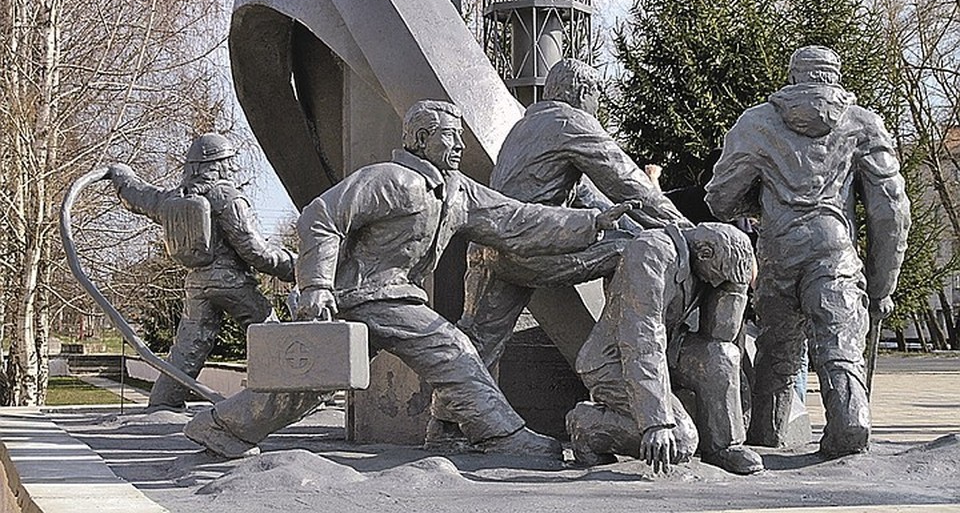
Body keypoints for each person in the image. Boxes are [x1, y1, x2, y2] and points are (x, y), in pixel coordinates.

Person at [182, 100, 633, 460]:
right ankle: (503, 437)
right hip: (357, 295)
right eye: (448, 137)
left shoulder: (458, 192)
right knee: (450, 348)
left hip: (395, 299)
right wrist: (317, 285)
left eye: (459, 136)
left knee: (313, 386)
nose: (458, 146)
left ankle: (223, 427)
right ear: (421, 139)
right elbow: (321, 216)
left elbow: (516, 221)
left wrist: (590, 223)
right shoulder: (392, 180)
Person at [449, 59, 691, 414]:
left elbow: (586, 196)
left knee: (479, 341)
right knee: (632, 252)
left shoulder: (526, 126)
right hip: (531, 247)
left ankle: (448, 425)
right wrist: (686, 229)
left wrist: (634, 222)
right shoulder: (571, 122)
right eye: (597, 96)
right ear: (584, 92)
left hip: (492, 246)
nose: (598, 106)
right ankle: (614, 354)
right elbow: (628, 183)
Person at [704, 45, 910, 458]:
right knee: (841, 342)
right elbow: (891, 209)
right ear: (834, 76)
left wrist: (763, 201)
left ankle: (765, 433)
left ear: (794, 76)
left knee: (777, 353)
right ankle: (850, 421)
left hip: (778, 252)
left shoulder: (757, 123)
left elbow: (721, 198)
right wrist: (881, 283)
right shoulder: (863, 125)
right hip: (834, 250)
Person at [109, 133, 296, 409]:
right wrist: (296, 267)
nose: (232, 167)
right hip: (232, 282)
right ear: (216, 164)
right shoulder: (227, 197)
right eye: (228, 161)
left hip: (197, 285)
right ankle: (290, 398)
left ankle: (164, 402)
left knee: (188, 347)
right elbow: (255, 250)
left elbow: (141, 196)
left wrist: (122, 178)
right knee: (269, 333)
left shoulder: (175, 196)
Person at [567, 223, 764, 475]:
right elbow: (641, 339)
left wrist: (734, 288)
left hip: (670, 348)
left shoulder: (703, 259)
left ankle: (723, 446)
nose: (715, 282)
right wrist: (656, 422)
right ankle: (589, 426)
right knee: (681, 441)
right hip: (614, 359)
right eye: (717, 275)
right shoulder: (650, 252)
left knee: (722, 356)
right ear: (704, 254)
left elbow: (719, 337)